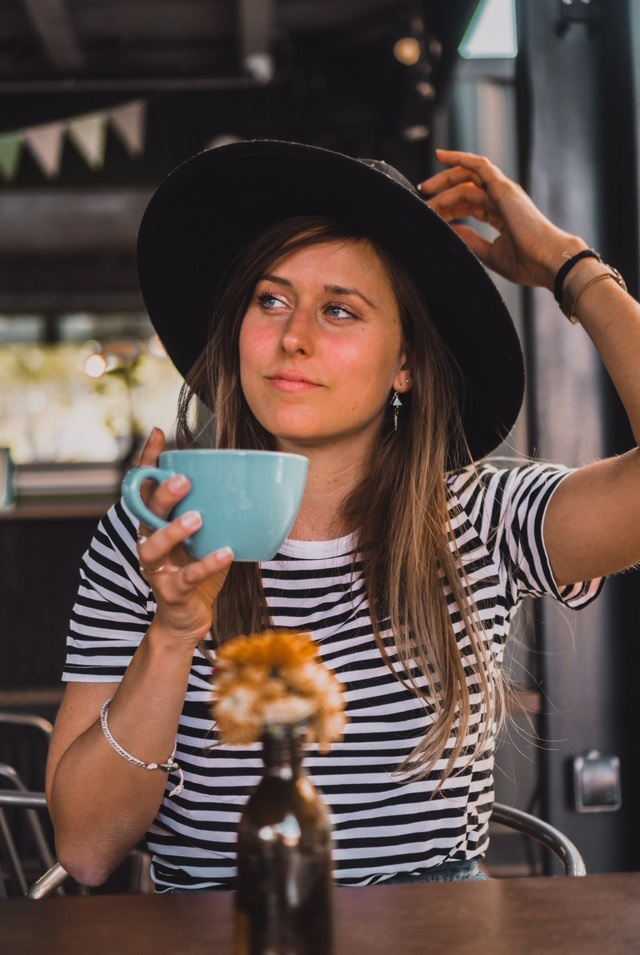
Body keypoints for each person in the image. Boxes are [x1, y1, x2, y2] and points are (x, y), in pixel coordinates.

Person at [46, 140, 640, 892]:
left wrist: (569, 266)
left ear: (406, 364)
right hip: (216, 932)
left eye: (338, 310)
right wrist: (172, 631)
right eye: (270, 300)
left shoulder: (482, 518)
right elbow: (87, 847)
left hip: (434, 935)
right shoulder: (156, 532)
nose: (293, 336)